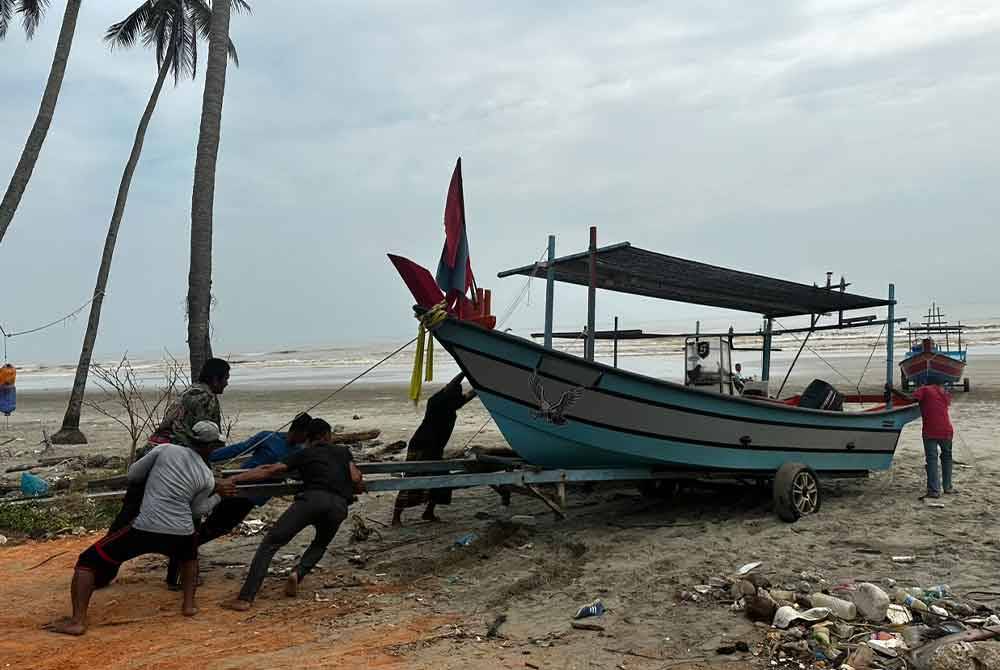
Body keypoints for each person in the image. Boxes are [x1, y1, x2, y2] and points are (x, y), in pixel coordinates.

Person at [49, 422, 232, 636]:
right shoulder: (208, 476)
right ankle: (189, 605)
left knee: (87, 561)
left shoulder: (165, 449)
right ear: (213, 447)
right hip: (181, 530)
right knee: (189, 559)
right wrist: (220, 495)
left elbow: (133, 475)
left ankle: (78, 620)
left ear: (190, 439)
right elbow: (197, 511)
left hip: (146, 526)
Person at [221, 418, 363, 611]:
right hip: (338, 506)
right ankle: (298, 573)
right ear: (327, 436)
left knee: (270, 544)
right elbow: (355, 477)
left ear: (308, 437)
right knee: (320, 543)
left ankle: (245, 598)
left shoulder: (303, 453)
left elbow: (270, 471)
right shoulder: (343, 451)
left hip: (311, 501)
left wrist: (235, 478)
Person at [161, 412, 313, 590]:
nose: (306, 439)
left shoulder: (301, 451)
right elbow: (239, 449)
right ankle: (180, 561)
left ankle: (179, 559)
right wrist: (203, 455)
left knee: (212, 528)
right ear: (298, 430)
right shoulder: (269, 437)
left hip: (251, 498)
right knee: (213, 529)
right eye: (305, 435)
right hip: (236, 489)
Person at [106, 358, 232, 540]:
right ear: (215, 379)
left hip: (152, 453)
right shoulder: (207, 399)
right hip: (174, 461)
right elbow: (203, 439)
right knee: (188, 520)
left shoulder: (187, 392)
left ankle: (104, 554)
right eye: (225, 378)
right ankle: (182, 560)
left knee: (128, 514)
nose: (227, 383)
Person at [391, 373, 477, 526]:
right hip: (421, 446)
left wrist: (480, 383)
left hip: (435, 448)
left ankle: (429, 512)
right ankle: (396, 517)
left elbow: (470, 394)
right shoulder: (436, 401)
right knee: (413, 478)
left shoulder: (451, 404)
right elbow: (452, 386)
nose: (459, 398)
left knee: (441, 478)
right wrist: (465, 372)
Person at [912, 382, 955, 499]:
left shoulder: (924, 389)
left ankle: (934, 491)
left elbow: (909, 399)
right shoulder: (943, 392)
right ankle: (948, 487)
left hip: (930, 431)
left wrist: (892, 390)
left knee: (932, 460)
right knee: (947, 457)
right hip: (947, 430)